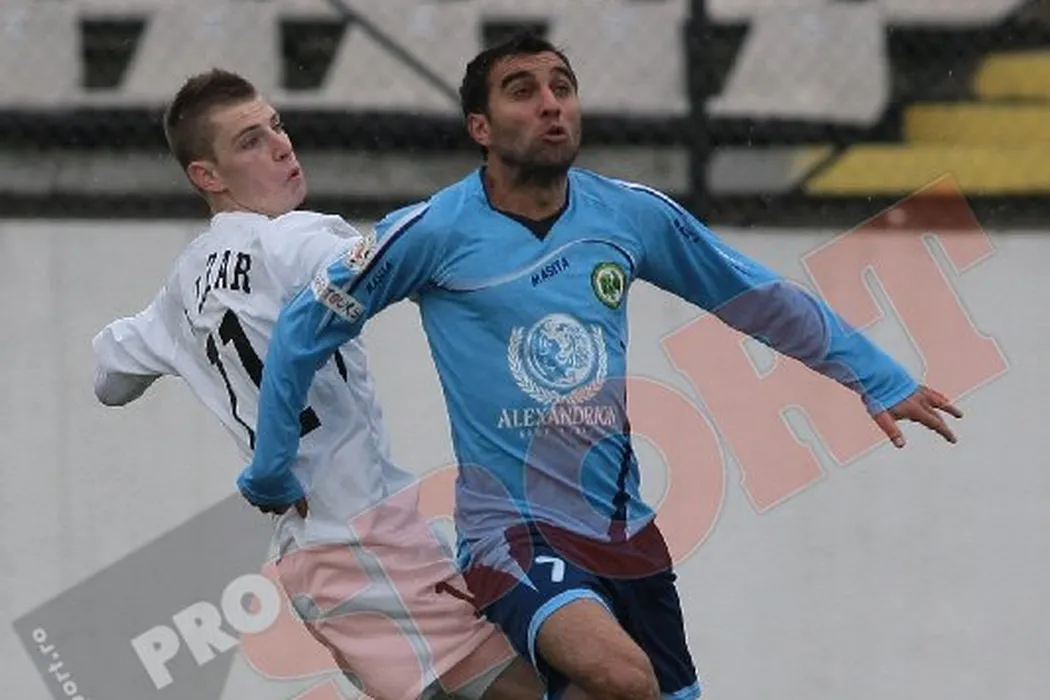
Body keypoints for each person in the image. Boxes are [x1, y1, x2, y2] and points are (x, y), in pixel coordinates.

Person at [241, 32, 963, 700]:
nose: (550, 103)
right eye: (523, 91)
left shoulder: (630, 216)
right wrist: (273, 465)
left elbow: (755, 296)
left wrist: (876, 376)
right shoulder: (433, 230)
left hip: (626, 536)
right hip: (510, 536)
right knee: (622, 676)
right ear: (480, 127)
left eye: (562, 87)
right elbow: (306, 325)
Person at [91, 68, 548, 700]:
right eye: (251, 141)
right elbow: (391, 263)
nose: (282, 146)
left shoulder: (183, 288)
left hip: (312, 556)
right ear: (208, 176)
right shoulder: (296, 240)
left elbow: (108, 377)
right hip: (369, 539)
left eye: (277, 126)